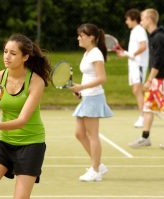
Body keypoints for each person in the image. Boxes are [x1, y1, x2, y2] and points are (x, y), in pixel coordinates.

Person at [0, 34, 51, 199]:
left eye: (13, 53)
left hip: (31, 145)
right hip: (4, 143)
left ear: (25, 57)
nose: (7, 56)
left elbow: (22, 121)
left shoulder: (35, 82)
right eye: (5, 51)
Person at [128, 9, 164, 149]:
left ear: (150, 19)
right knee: (147, 107)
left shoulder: (158, 38)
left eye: (143, 19)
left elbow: (158, 62)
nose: (140, 22)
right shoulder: (154, 36)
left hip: (163, 80)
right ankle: (145, 138)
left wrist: (149, 80)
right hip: (156, 80)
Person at [71, 23, 113, 182]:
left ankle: (95, 170)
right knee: (79, 133)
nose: (78, 38)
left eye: (81, 35)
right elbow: (89, 76)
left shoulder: (96, 53)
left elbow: (102, 78)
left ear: (91, 38)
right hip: (87, 96)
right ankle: (99, 165)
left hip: (95, 97)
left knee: (92, 135)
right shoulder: (88, 53)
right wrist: (80, 91)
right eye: (78, 35)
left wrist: (82, 87)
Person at [116, 8, 149, 128]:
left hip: (139, 65)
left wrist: (129, 54)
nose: (126, 22)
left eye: (127, 19)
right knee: (137, 90)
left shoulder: (139, 30)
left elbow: (143, 46)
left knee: (137, 90)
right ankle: (149, 108)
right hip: (134, 65)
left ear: (133, 19)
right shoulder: (135, 30)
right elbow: (134, 50)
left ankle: (143, 117)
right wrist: (125, 53)